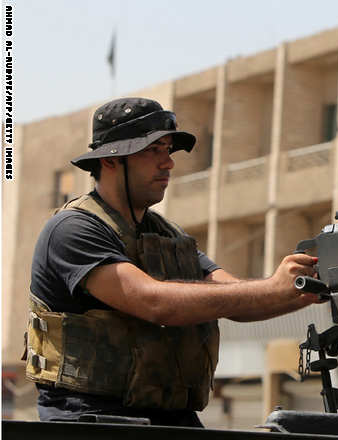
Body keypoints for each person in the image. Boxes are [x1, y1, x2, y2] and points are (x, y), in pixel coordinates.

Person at [23, 97, 320, 427]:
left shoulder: (167, 234)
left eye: (168, 150)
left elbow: (237, 299)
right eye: (153, 150)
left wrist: (306, 287)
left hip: (168, 415)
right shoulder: (73, 229)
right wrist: (274, 287)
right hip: (91, 415)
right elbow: (154, 302)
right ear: (110, 161)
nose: (168, 164)